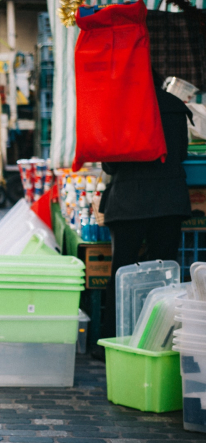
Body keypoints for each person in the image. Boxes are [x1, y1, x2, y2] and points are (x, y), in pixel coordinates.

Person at [96, 71, 192, 357]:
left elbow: (110, 166)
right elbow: (182, 153)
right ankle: (160, 343)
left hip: (129, 201)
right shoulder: (175, 106)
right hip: (169, 200)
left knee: (122, 271)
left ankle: (111, 343)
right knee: (165, 275)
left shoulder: (120, 109)